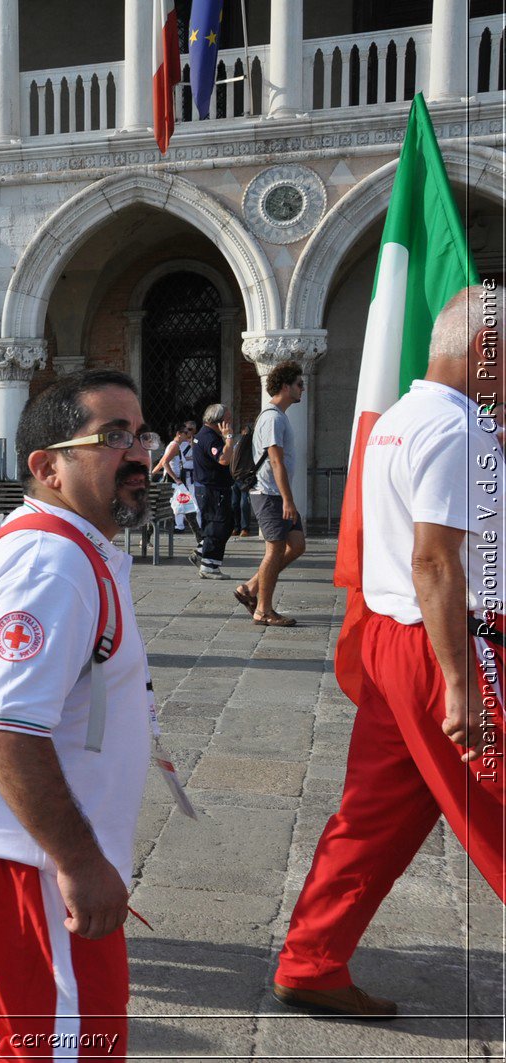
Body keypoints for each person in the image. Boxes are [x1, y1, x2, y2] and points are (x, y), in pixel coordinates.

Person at [271, 286, 505, 1018]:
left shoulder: (398, 419)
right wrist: (463, 685)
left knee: (372, 815)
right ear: (483, 351)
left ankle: (312, 957)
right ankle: (310, 958)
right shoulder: (457, 430)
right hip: (446, 648)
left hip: (392, 643)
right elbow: (435, 562)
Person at [0, 368, 158, 1059]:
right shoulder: (51, 563)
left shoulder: (68, 546)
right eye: (112, 436)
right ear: (46, 467)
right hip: (28, 872)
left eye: (140, 432)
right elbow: (5, 726)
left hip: (21, 862)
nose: (139, 451)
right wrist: (81, 862)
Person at [235, 362, 307, 626]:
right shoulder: (273, 417)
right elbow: (276, 461)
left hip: (278, 494)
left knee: (297, 545)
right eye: (300, 384)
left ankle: (251, 587)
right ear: (286, 386)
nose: (303, 388)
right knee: (274, 550)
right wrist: (288, 499)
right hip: (269, 494)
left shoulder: (279, 415)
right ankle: (263, 610)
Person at [189, 403, 238, 580]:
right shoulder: (209, 437)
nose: (231, 422)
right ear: (220, 421)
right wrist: (229, 438)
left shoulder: (204, 435)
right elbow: (224, 459)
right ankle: (209, 566)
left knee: (225, 523)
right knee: (218, 525)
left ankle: (202, 551)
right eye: (229, 419)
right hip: (212, 489)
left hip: (212, 488)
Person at [152, 421, 198, 532]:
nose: (188, 434)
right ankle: (199, 539)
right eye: (186, 432)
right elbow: (164, 462)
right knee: (187, 509)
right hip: (173, 482)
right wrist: (176, 478)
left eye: (190, 431)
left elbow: (162, 462)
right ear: (179, 433)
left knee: (184, 508)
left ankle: (199, 539)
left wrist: (152, 473)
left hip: (175, 481)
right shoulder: (175, 445)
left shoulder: (182, 443)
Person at [229, 420, 256, 537]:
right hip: (235, 477)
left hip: (245, 477)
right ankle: (236, 526)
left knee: (243, 504)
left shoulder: (250, 445)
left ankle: (245, 528)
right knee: (234, 503)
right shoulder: (237, 444)